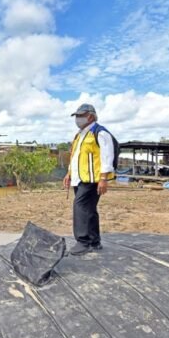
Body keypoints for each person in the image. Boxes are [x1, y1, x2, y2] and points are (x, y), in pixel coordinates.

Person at [63, 104, 115, 255]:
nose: (78, 119)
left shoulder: (100, 133)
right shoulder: (79, 135)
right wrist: (69, 173)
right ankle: (94, 241)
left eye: (81, 115)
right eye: (77, 116)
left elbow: (107, 157)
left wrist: (103, 178)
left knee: (80, 207)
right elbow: (75, 156)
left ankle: (83, 242)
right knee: (89, 209)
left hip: (93, 179)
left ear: (91, 116)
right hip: (80, 178)